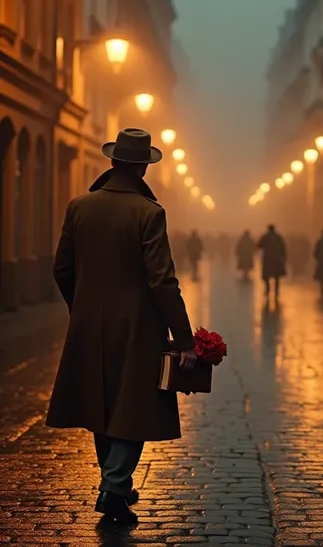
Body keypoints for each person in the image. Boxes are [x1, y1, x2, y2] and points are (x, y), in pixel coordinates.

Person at [46, 128, 197, 524]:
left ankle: (115, 484)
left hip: (89, 323)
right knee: (136, 406)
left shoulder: (79, 206)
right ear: (144, 167)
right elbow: (162, 280)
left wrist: (81, 307)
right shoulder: (148, 213)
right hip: (138, 328)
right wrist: (184, 338)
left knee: (102, 403)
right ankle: (114, 486)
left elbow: (62, 268)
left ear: (112, 162)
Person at [257, 224, 286, 298]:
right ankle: (276, 291)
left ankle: (267, 290)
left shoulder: (265, 237)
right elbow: (283, 248)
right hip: (276, 258)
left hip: (268, 258)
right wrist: (283, 257)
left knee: (267, 276)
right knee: (277, 276)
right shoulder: (278, 237)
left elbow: (259, 245)